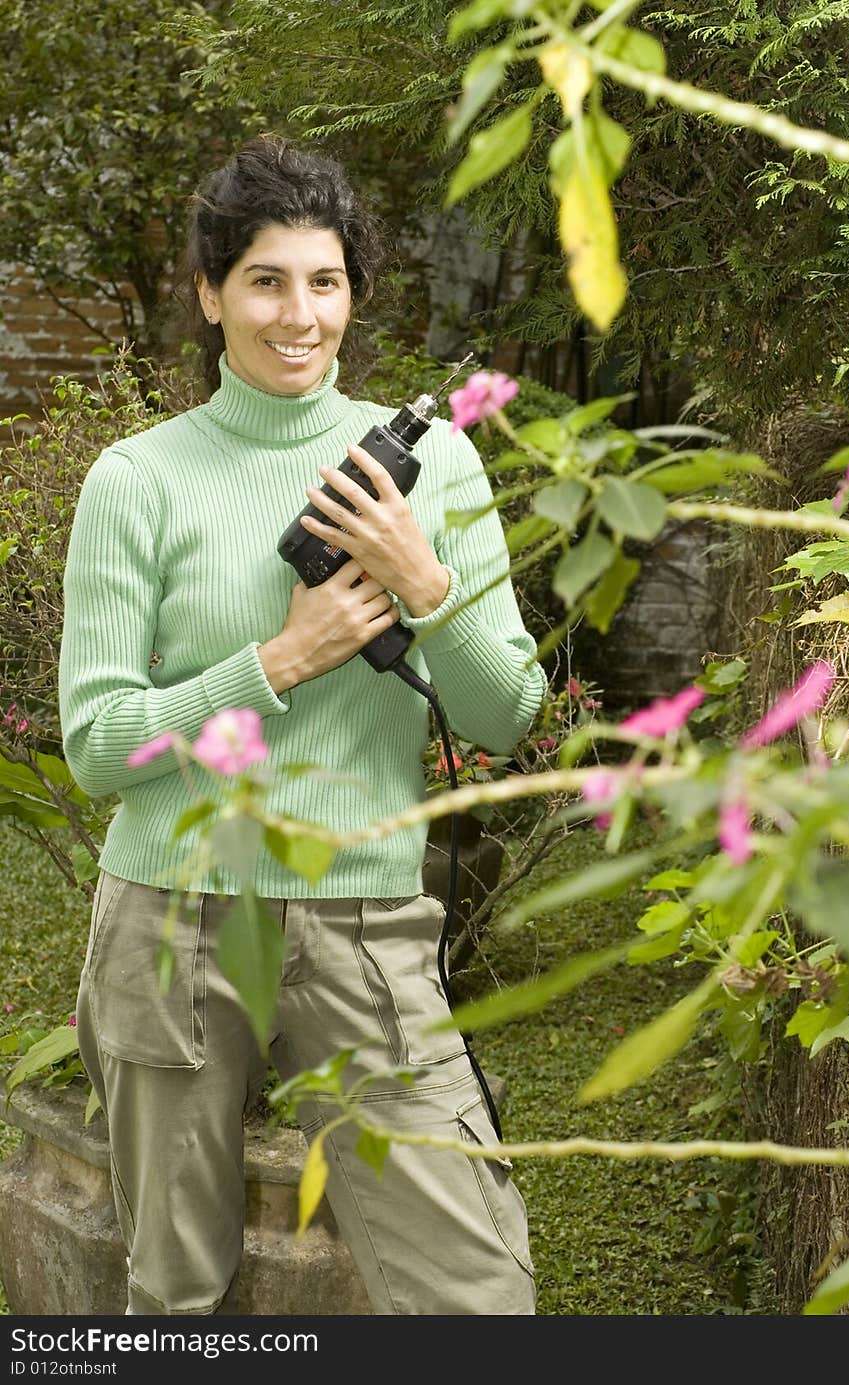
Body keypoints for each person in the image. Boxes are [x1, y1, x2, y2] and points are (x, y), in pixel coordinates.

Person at [58, 133, 547, 1317]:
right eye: (265, 280)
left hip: (365, 916)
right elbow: (98, 745)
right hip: (169, 914)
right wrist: (279, 660)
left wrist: (422, 584)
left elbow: (505, 719)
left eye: (323, 281)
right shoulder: (139, 478)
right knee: (175, 1291)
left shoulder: (432, 468)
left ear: (353, 296)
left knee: (474, 1290)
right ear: (210, 295)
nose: (297, 314)